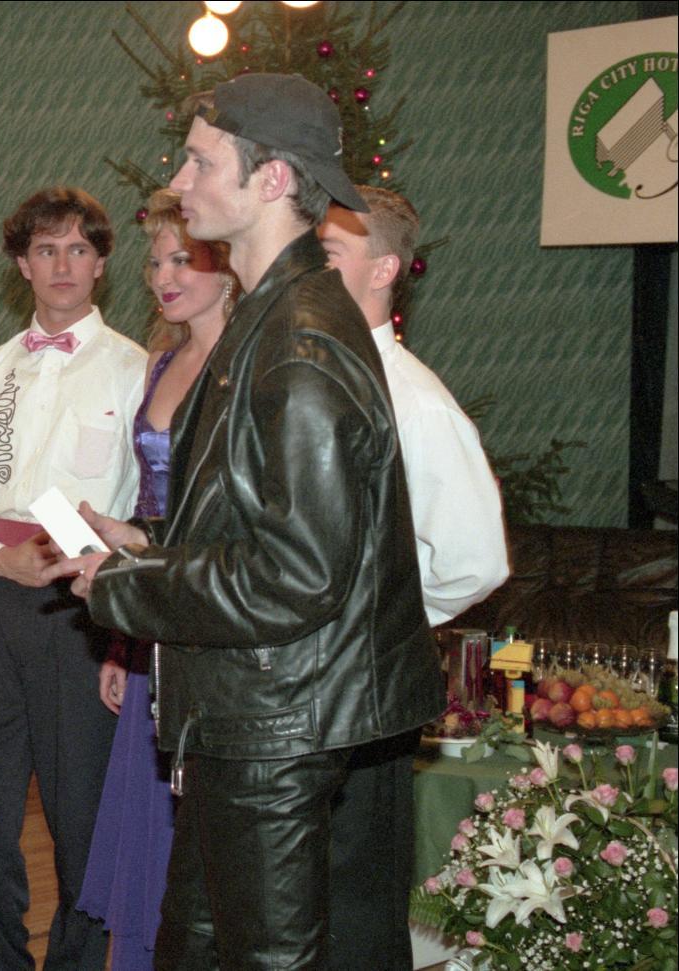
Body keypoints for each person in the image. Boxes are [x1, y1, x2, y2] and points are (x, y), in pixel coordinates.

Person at [49, 74, 439, 969]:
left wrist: (126, 584)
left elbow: (297, 575)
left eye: (200, 161)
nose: (178, 181)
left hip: (276, 717)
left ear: (272, 180)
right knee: (192, 945)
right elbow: (256, 527)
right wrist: (145, 542)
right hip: (246, 711)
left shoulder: (299, 341)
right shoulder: (267, 322)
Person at [0, 186, 146, 970]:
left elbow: (148, 504)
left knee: (80, 816)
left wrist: (121, 628)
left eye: (78, 248)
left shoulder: (134, 372)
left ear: (102, 263)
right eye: (46, 249)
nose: (62, 264)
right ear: (22, 264)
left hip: (83, 605)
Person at [318, 185, 510, 969]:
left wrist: (376, 611)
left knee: (357, 899)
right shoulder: (308, 373)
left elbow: (477, 558)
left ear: (383, 269)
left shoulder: (417, 402)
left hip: (367, 684)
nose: (308, 268)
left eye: (328, 254)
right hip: (306, 687)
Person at [76, 190, 238, 971]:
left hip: (216, 623)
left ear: (229, 265)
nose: (165, 277)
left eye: (183, 259)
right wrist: (121, 640)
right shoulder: (162, 362)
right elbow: (147, 513)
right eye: (156, 262)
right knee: (148, 834)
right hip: (155, 621)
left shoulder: (251, 363)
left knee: (203, 849)